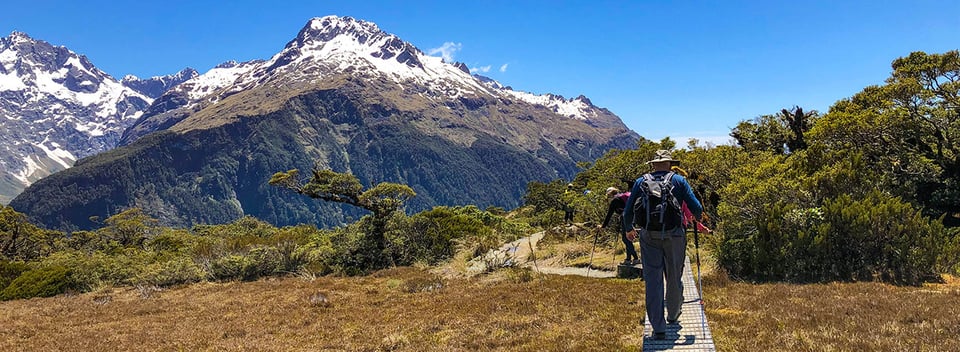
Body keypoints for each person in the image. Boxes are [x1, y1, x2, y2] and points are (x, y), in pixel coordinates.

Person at [623, 150, 703, 340]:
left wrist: (628, 229)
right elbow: (696, 207)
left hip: (649, 235)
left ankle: (658, 328)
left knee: (653, 280)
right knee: (674, 275)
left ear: (653, 165)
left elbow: (627, 212)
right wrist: (696, 219)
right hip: (674, 235)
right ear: (669, 164)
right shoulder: (679, 181)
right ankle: (673, 315)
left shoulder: (640, 181)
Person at [599, 187, 639, 264]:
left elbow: (609, 215)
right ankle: (629, 259)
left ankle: (635, 258)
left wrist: (603, 226)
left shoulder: (615, 201)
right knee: (628, 239)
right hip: (633, 218)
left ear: (609, 194)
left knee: (625, 239)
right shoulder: (621, 197)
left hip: (626, 219)